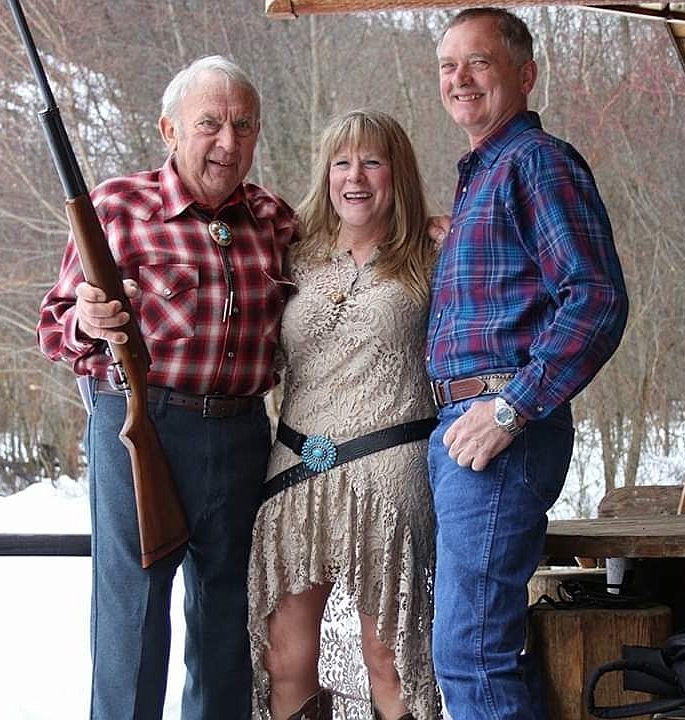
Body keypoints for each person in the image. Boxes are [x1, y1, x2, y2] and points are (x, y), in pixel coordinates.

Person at [36, 56, 296, 720]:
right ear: (169, 129)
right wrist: (87, 321)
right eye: (209, 123)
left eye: (243, 125)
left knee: (227, 629)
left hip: (242, 436)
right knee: (134, 627)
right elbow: (53, 328)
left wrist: (419, 235)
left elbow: (341, 276)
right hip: (139, 431)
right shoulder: (117, 208)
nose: (228, 143)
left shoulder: (275, 219)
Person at [427, 8, 629, 720]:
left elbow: (597, 300)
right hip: (465, 428)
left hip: (499, 428)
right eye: (449, 66)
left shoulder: (536, 161)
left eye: (478, 62)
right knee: (473, 648)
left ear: (524, 72)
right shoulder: (484, 173)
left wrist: (512, 408)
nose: (460, 78)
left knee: (472, 653)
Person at [247, 109, 440, 720]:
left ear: (398, 174)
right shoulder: (291, 254)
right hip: (296, 467)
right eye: (342, 162)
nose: (355, 176)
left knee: (389, 656)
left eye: (372, 161)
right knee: (284, 657)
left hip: (390, 469)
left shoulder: (433, 256)